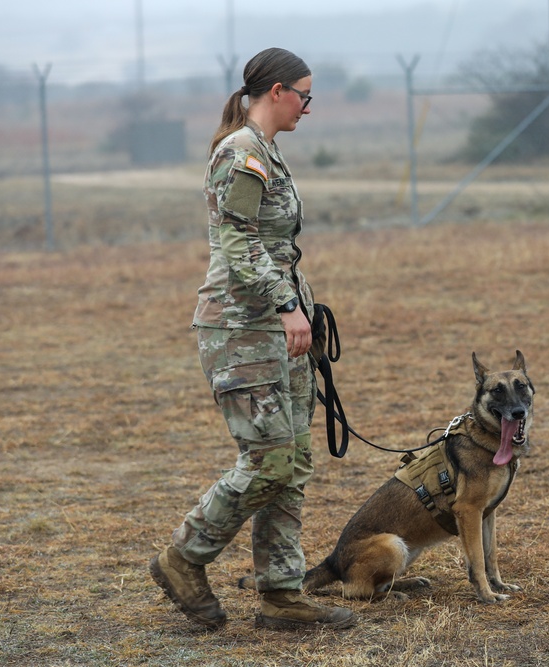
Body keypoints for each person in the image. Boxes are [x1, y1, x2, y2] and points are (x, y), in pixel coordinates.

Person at [149, 47, 355, 632]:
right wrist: (290, 305)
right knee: (267, 460)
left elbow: (275, 246)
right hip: (241, 330)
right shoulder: (241, 154)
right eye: (305, 96)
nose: (308, 109)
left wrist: (302, 311)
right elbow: (237, 245)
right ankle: (184, 557)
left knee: (292, 462)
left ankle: (282, 593)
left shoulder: (267, 153)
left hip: (279, 327)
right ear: (276, 92)